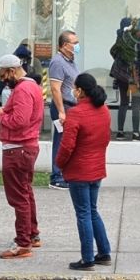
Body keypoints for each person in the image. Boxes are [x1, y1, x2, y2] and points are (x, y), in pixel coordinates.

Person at [55, 73, 113, 271]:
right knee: (92, 210)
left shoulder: (76, 113)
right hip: (96, 167)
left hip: (79, 170)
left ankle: (87, 258)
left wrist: (59, 164)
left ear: (79, 90)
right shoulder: (103, 109)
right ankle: (104, 252)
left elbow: (67, 146)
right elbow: (105, 137)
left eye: (74, 88)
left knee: (83, 213)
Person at [0, 54, 45, 259]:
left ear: (12, 71)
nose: (3, 80)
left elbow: (20, 120)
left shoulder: (22, 89)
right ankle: (32, 234)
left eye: (4, 75)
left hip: (17, 147)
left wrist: (1, 116)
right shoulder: (32, 86)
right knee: (26, 191)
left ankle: (23, 243)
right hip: (26, 146)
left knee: (18, 197)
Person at [110, 17, 140, 141]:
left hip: (122, 76)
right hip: (135, 76)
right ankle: (135, 133)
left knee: (123, 103)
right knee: (135, 104)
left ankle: (120, 133)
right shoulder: (139, 40)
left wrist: (120, 62)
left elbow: (112, 51)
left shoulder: (121, 38)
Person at [48, 30, 81, 190]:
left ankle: (65, 173)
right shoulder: (58, 62)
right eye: (74, 43)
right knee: (61, 141)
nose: (77, 46)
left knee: (68, 142)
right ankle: (56, 176)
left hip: (72, 105)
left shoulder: (70, 61)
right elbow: (55, 89)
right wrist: (61, 111)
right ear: (64, 45)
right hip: (62, 106)